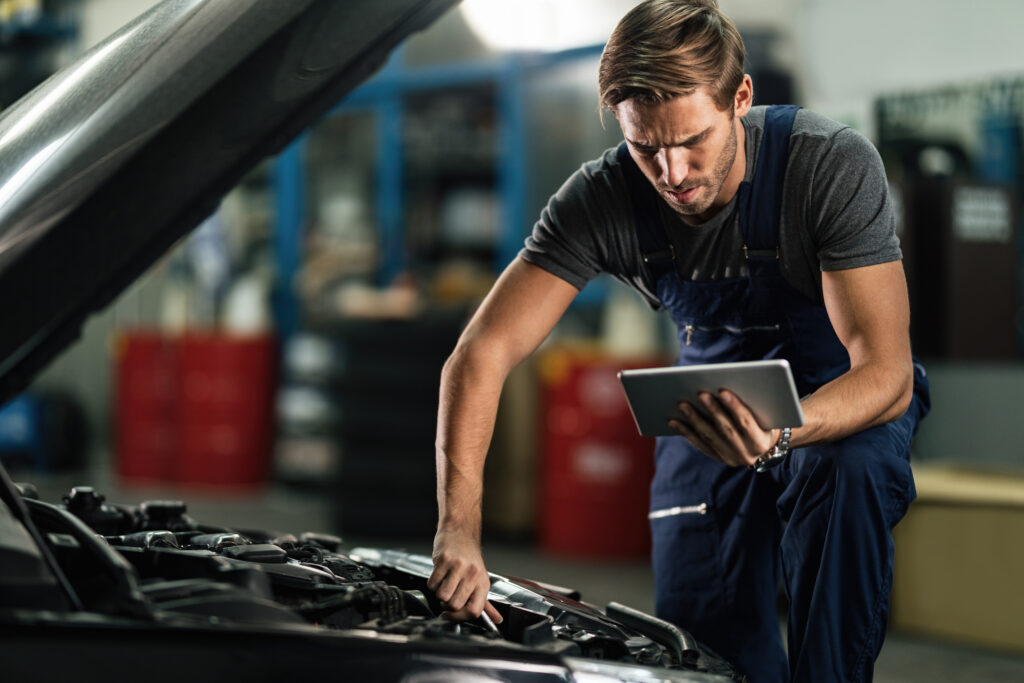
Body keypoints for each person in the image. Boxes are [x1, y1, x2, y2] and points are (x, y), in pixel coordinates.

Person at [426, 1, 930, 680]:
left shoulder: (827, 167)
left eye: (692, 139)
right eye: (645, 147)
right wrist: (459, 525)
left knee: (846, 476)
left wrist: (784, 431)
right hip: (706, 412)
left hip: (839, 400)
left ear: (740, 99)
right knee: (699, 646)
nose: (673, 173)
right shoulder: (602, 199)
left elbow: (888, 372)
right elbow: (480, 353)